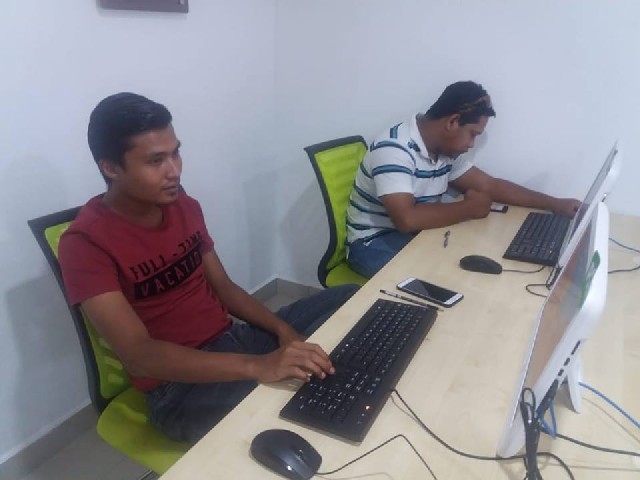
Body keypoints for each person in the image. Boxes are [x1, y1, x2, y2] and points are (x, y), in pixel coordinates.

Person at [58, 92, 359, 443]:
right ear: (110, 168)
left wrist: (283, 330)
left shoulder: (183, 206)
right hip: (178, 389)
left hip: (232, 342)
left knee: (351, 299)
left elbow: (224, 288)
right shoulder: (84, 243)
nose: (174, 171)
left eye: (176, 153)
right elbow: (139, 356)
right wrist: (257, 366)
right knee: (296, 403)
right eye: (156, 161)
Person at [346, 81, 581, 278]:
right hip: (372, 243)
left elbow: (490, 185)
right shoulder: (394, 148)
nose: (471, 145)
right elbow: (406, 219)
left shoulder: (443, 152)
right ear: (452, 122)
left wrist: (554, 204)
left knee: (472, 266)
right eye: (472, 135)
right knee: (445, 281)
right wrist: (469, 208)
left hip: (416, 235)